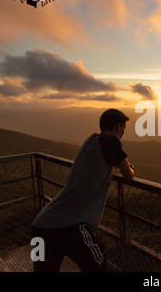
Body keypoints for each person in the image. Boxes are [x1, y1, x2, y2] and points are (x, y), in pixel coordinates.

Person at [31, 109, 135, 272]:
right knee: (98, 266)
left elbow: (97, 166)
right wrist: (128, 167)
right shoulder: (111, 140)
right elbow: (129, 175)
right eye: (123, 129)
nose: (122, 133)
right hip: (70, 226)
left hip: (42, 224)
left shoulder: (92, 141)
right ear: (117, 127)